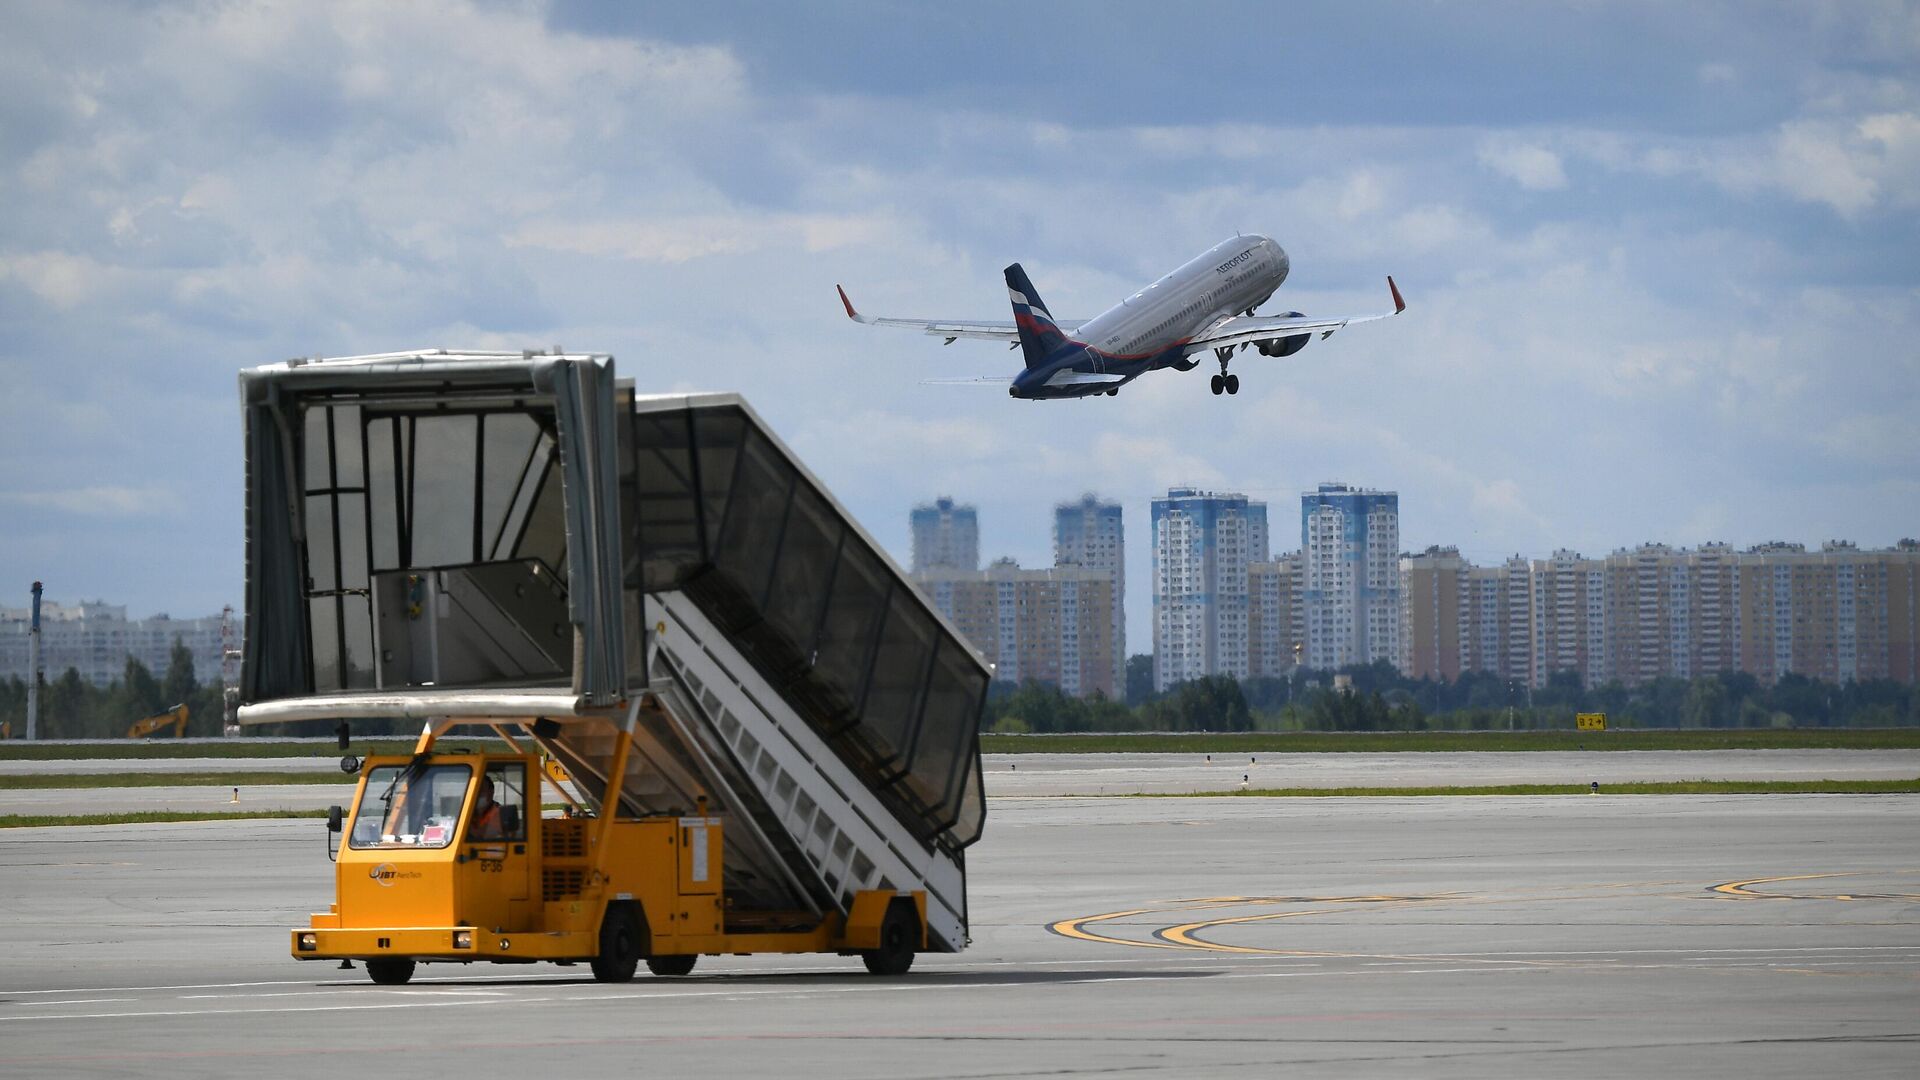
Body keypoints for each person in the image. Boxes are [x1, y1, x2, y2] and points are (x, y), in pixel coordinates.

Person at [470, 776, 505, 840]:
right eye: (474, 791)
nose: (477, 794)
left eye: (481, 790)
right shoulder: (466, 812)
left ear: (491, 792)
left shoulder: (501, 813)